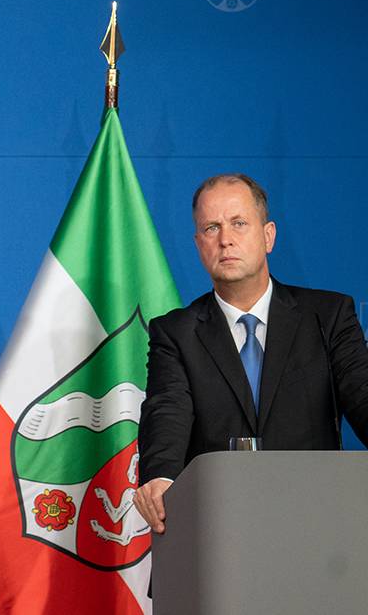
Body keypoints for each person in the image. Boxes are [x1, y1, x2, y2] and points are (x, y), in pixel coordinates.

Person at [134, 173, 368, 534]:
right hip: (217, 531)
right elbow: (167, 411)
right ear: (198, 244)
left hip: (317, 523)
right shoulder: (175, 332)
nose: (225, 239)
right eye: (211, 228)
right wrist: (161, 477)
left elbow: (361, 392)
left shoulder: (328, 316)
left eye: (239, 223)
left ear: (268, 235)